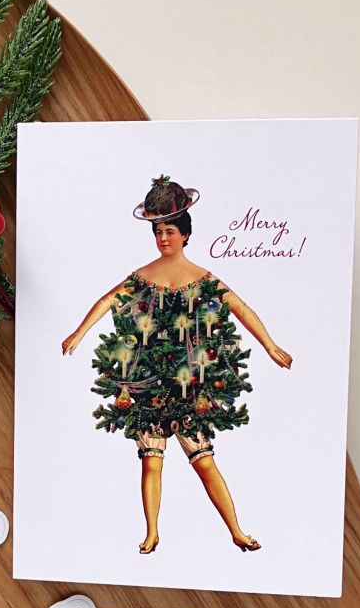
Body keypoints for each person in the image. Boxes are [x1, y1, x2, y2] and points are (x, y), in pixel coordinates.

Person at [61, 175, 292, 555]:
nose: (164, 238)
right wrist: (78, 333)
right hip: (149, 384)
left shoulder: (202, 278)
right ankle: (152, 532)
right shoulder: (142, 277)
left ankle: (235, 530)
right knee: (151, 464)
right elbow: (107, 300)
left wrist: (270, 345)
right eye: (158, 232)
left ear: (185, 234)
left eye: (170, 231)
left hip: (190, 386)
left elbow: (241, 308)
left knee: (204, 463)